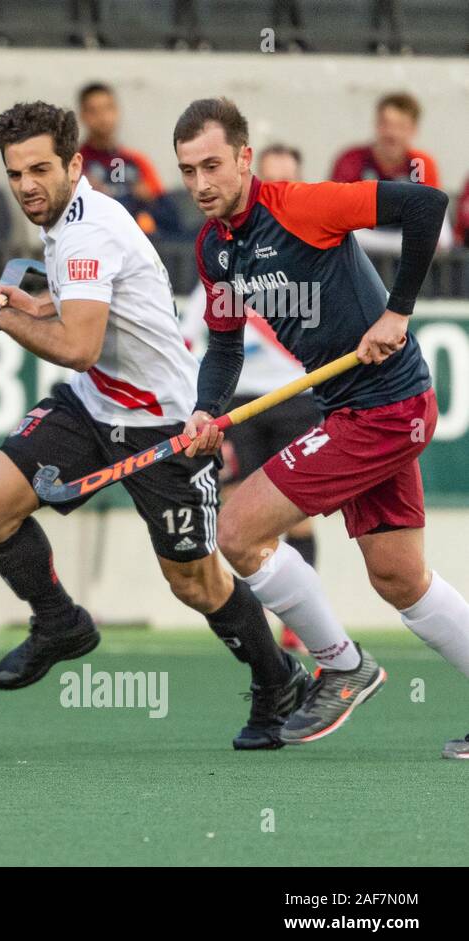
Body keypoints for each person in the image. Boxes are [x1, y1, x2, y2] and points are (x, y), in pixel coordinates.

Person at [0, 101, 308, 751]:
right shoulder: (66, 219)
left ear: (73, 164)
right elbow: (87, 323)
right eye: (15, 174)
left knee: (195, 583)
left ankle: (276, 677)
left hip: (163, 426)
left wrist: (4, 318)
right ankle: (60, 621)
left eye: (40, 169)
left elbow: (79, 345)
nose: (27, 185)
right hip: (94, 404)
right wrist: (34, 304)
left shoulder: (90, 231)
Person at [175, 97, 469, 757]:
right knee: (399, 575)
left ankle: (341, 665)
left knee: (236, 530)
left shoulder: (302, 205)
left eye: (213, 166)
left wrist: (398, 311)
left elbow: (428, 204)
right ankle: (344, 663)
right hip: (352, 409)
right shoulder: (215, 250)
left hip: (386, 406)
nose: (200, 184)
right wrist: (206, 410)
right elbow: (222, 349)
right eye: (188, 171)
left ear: (245, 158)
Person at [179, 143, 317, 652]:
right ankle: (256, 621)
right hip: (238, 404)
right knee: (238, 516)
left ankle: (302, 624)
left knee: (295, 514)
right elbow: (194, 339)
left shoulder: (317, 251)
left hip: (296, 399)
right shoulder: (224, 254)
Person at [330, 92, 451, 254]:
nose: (391, 134)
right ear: (376, 125)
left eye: (401, 127)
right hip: (362, 242)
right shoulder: (352, 159)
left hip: (401, 240)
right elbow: (337, 213)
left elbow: (431, 220)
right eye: (385, 124)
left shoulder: (420, 164)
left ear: (413, 130)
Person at [76, 82, 179, 237]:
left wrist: (149, 199)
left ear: (117, 111)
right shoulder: (75, 164)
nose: (103, 118)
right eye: (93, 111)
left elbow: (171, 219)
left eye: (108, 108)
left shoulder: (137, 162)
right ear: (83, 115)